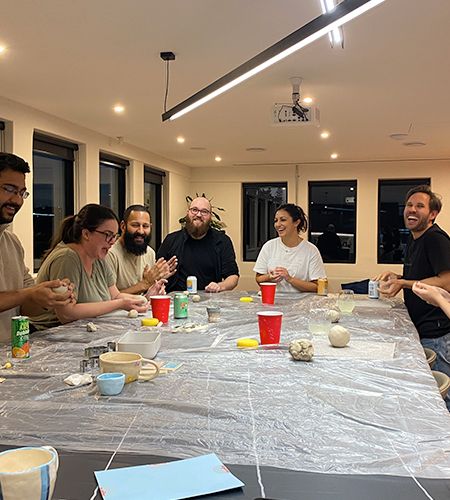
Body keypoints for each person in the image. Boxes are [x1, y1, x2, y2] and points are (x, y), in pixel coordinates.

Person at [31, 204, 165, 330]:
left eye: (114, 236)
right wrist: (121, 304)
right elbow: (67, 314)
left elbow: (115, 295)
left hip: (84, 331)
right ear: (86, 234)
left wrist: (145, 299)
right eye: (108, 235)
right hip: (48, 336)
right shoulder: (67, 258)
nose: (112, 242)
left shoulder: (98, 257)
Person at [375, 185, 450, 379]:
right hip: (420, 326)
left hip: (437, 332)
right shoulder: (414, 238)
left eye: (420, 206)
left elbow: (446, 281)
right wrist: (397, 278)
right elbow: (421, 275)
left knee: (438, 395)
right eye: (409, 205)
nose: (412, 210)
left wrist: (404, 284)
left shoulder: (435, 239)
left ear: (433, 214)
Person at [0, 153, 73, 343]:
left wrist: (50, 298)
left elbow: (24, 308)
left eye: (21, 192)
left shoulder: (12, 243)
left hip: (12, 354)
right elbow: (25, 294)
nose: (17, 200)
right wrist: (31, 292)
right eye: (9, 189)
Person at [157, 196, 239, 293]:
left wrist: (219, 286)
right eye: (194, 210)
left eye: (204, 211)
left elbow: (233, 277)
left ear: (210, 216)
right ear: (188, 212)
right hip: (176, 300)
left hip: (210, 299)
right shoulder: (171, 240)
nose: (199, 214)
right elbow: (156, 272)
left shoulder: (222, 242)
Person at [253, 203, 326, 293]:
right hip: (272, 301)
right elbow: (258, 279)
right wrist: (269, 277)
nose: (278, 224)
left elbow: (317, 286)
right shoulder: (269, 246)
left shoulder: (311, 250)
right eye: (276, 221)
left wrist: (290, 279)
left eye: (283, 220)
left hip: (300, 304)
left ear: (296, 222)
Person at [106, 204, 177, 294]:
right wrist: (145, 283)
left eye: (145, 226)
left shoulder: (150, 253)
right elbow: (109, 298)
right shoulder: (110, 254)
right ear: (123, 226)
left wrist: (156, 285)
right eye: (135, 225)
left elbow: (147, 292)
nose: (141, 231)